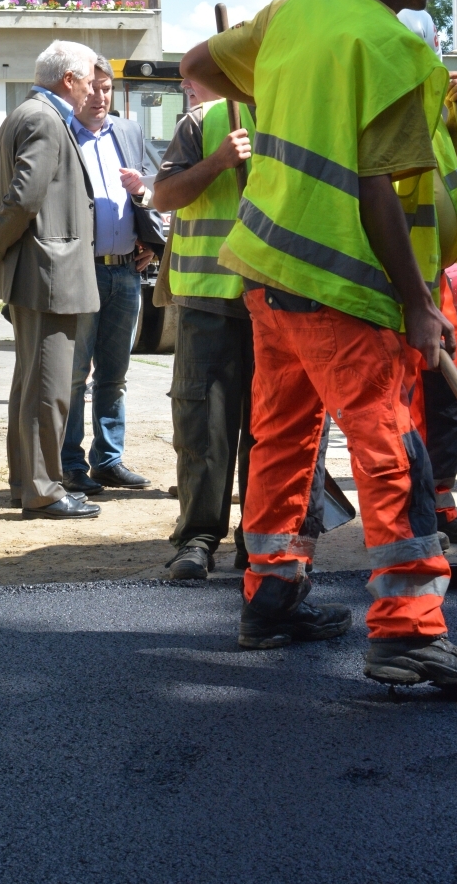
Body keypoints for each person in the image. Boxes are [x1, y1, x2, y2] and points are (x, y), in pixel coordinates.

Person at [180, 0, 457, 689]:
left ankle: (270, 599)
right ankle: (407, 629)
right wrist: (416, 305)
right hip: (341, 286)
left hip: (266, 272)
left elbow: (196, 64)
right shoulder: (399, 52)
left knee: (283, 439)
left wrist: (284, 101)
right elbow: (378, 191)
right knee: (388, 445)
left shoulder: (295, 13)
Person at [0, 40, 102, 520]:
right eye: (88, 79)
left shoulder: (24, 114)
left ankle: (28, 482)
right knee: (48, 388)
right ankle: (43, 490)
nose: (92, 89)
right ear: (69, 79)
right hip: (50, 272)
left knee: (31, 384)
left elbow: (13, 195)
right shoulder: (45, 119)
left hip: (38, 268)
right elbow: (24, 198)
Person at [396, 9, 457, 545]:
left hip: (436, 281)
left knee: (447, 401)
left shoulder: (438, 110)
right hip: (391, 284)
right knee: (403, 402)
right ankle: (411, 513)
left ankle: (441, 505)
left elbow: (453, 167)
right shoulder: (388, 103)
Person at [152, 78, 255, 578]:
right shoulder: (203, 122)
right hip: (210, 299)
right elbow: (164, 196)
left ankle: (263, 540)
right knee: (203, 428)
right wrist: (217, 162)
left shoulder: (299, 119)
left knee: (272, 432)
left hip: (280, 300)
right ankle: (198, 537)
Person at [61, 55, 165, 494]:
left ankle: (109, 459)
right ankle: (70, 464)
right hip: (80, 273)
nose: (101, 97)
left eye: (107, 88)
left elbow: (150, 192)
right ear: (77, 89)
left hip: (125, 272)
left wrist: (151, 241)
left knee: (115, 374)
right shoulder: (63, 133)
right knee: (73, 374)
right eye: (94, 87)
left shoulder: (128, 131)